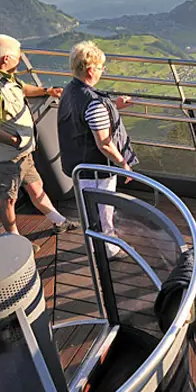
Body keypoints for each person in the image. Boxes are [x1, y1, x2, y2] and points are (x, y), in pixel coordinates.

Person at [0, 34, 76, 243]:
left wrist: (46, 91)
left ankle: (58, 221)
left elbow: (20, 88)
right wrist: (14, 140)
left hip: (22, 153)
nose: (20, 59)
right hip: (6, 158)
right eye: (18, 56)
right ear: (6, 59)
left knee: (36, 188)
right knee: (8, 200)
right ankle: (14, 239)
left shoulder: (2, 74)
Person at [57, 40, 137, 257]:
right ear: (91, 70)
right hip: (96, 169)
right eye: (101, 67)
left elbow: (86, 116)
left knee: (89, 210)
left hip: (78, 166)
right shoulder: (93, 102)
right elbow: (104, 143)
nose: (102, 71)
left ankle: (96, 244)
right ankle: (107, 249)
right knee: (103, 211)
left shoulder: (69, 91)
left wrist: (113, 105)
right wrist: (123, 164)